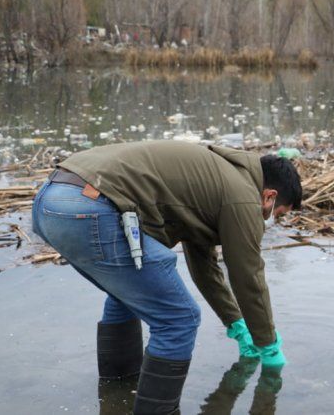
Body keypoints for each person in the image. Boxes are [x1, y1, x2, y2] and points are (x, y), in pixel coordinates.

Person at [31, 140, 302, 414]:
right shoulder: (243, 197)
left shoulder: (219, 178)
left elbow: (205, 269)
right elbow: (248, 276)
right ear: (269, 196)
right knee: (180, 318)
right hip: (89, 205)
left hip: (51, 200)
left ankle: (116, 397)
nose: (270, 219)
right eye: (278, 214)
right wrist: (268, 343)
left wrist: (235, 323)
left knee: (128, 295)